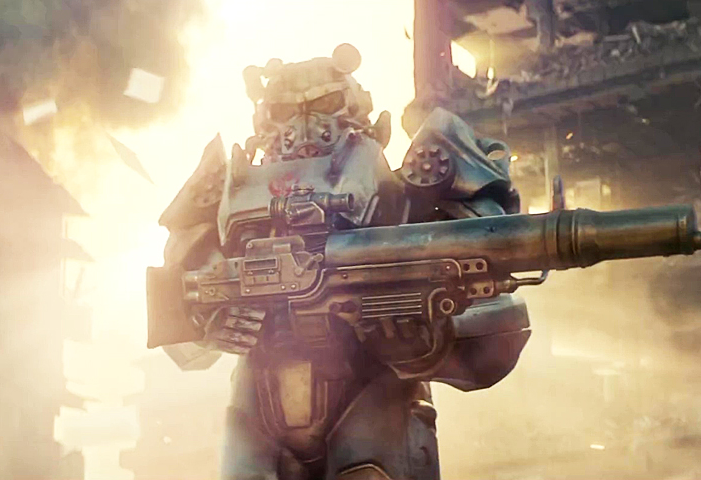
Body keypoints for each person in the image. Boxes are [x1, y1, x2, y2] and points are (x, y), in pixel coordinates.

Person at [150, 44, 530, 480]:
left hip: (373, 392)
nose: (304, 126)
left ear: (357, 112)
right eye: (285, 111)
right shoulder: (229, 196)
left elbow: (492, 302)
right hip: (258, 398)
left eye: (325, 103)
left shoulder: (403, 193)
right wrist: (210, 320)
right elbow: (175, 313)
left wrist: (425, 344)